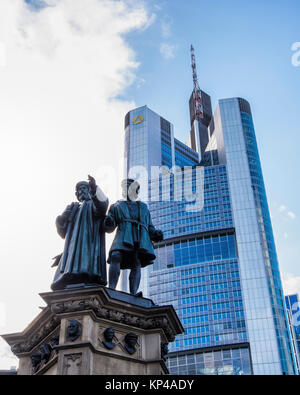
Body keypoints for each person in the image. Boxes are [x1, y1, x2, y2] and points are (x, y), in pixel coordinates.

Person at [103, 178, 163, 296]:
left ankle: (134, 292)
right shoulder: (116, 206)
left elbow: (149, 226)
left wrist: (156, 233)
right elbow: (110, 226)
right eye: (125, 188)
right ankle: (111, 288)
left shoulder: (144, 208)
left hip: (140, 237)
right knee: (116, 256)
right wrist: (109, 221)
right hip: (123, 234)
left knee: (136, 261)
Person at [51, 175, 108, 291]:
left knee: (85, 258)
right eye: (79, 190)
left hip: (88, 241)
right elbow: (63, 232)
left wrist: (94, 189)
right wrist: (62, 218)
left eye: (84, 188)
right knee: (69, 261)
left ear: (89, 191)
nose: (81, 191)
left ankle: (84, 275)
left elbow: (102, 207)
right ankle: (70, 276)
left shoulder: (92, 204)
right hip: (72, 245)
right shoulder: (73, 207)